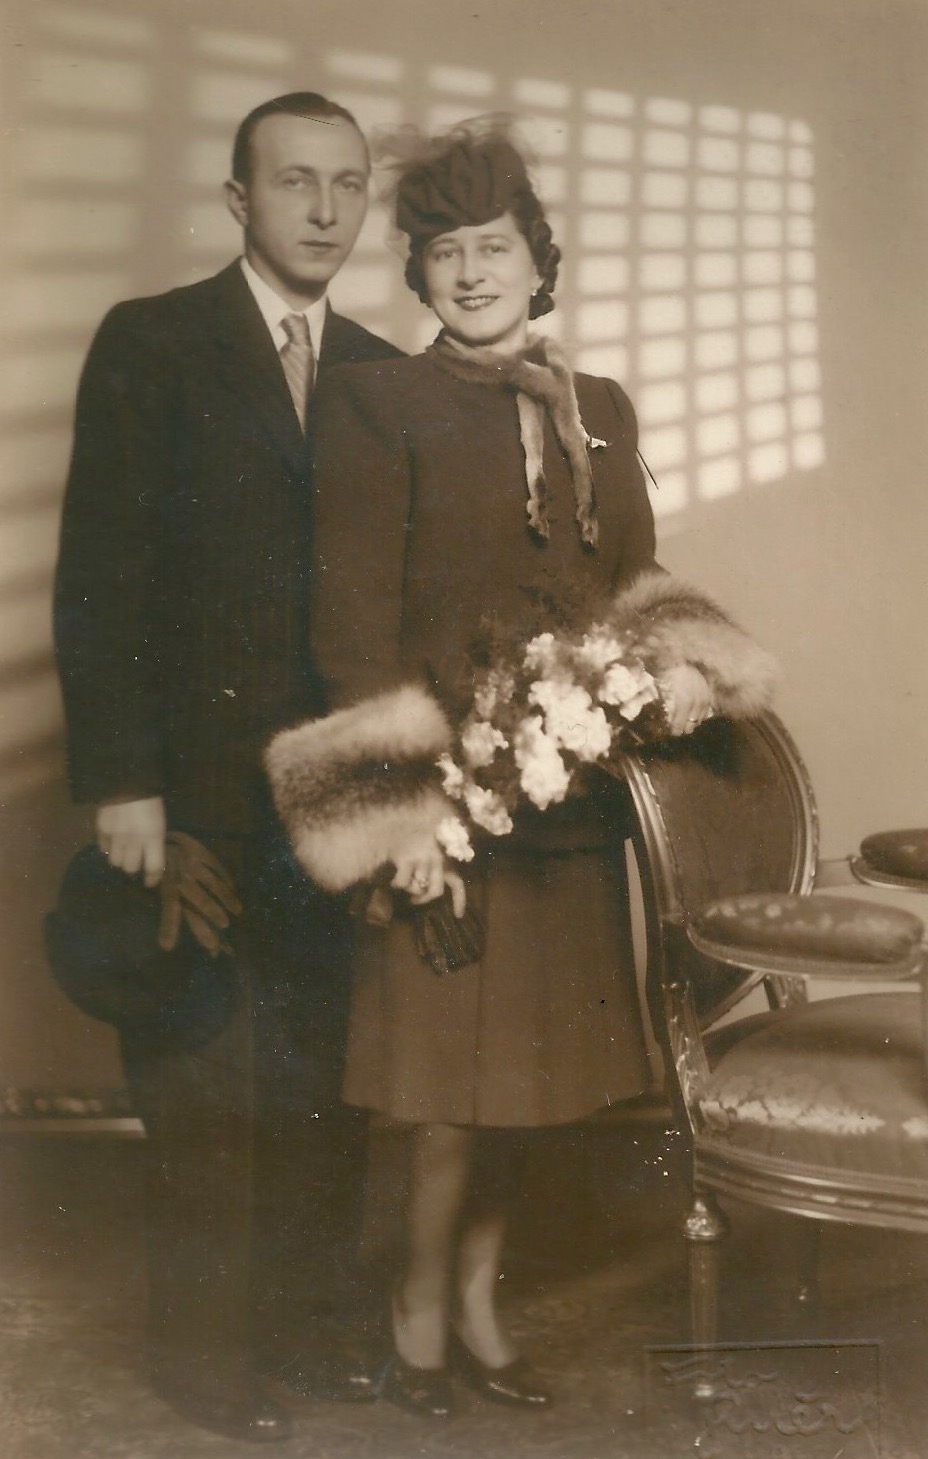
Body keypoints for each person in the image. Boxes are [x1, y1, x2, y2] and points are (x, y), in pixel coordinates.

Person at [265, 119, 778, 1421]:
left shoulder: (597, 407)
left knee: (524, 1096)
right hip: (445, 811)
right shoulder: (376, 403)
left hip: (566, 810)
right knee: (441, 1102)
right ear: (420, 274)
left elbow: (634, 584)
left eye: (494, 249)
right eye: (445, 253)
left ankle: (481, 1304)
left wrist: (679, 666)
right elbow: (350, 628)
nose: (472, 273)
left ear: (537, 263)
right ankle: (416, 1312)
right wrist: (404, 825)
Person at [53, 92, 402, 1442]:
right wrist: (122, 784)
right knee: (206, 1082)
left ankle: (305, 1331)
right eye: (296, 181)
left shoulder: (380, 369)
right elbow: (101, 573)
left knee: (323, 1079)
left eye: (348, 183)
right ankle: (202, 1362)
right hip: (190, 792)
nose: (325, 208)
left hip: (336, 800)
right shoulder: (153, 344)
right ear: (238, 200)